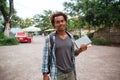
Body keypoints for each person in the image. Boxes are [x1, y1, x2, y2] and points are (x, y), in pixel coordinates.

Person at [42, 11, 87, 80]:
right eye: (57, 22)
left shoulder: (71, 37)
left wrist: (80, 49)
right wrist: (45, 74)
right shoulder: (50, 38)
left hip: (71, 72)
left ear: (66, 22)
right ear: (54, 24)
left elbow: (73, 53)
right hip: (57, 74)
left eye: (62, 21)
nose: (60, 23)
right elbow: (45, 57)